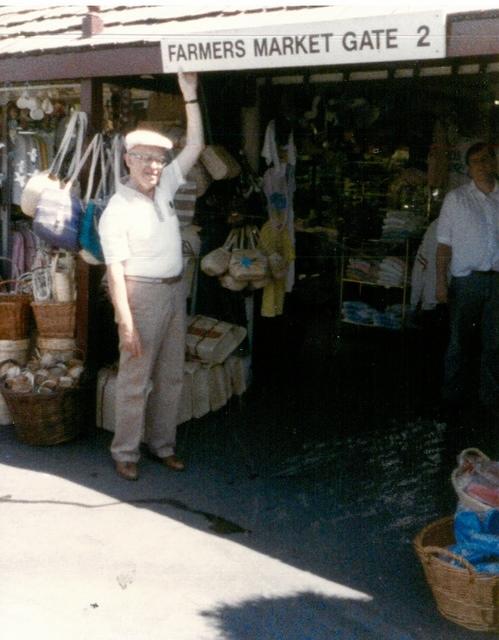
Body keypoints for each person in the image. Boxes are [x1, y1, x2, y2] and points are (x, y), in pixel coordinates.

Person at [98, 72, 204, 481]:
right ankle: (125, 451)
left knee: (171, 376)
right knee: (135, 379)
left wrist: (189, 95)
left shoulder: (164, 188)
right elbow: (115, 271)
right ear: (127, 159)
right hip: (140, 296)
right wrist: (126, 323)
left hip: (176, 292)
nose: (153, 166)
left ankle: (162, 445)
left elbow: (195, 146)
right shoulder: (116, 210)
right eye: (144, 158)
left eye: (158, 159)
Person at [436, 141, 499, 413]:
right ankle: (451, 397)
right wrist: (440, 282)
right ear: (469, 169)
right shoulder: (456, 199)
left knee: (495, 345)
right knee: (458, 343)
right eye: (476, 162)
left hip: (497, 283)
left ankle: (490, 399)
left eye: (487, 159)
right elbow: (443, 245)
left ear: (495, 162)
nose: (483, 166)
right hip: (466, 282)